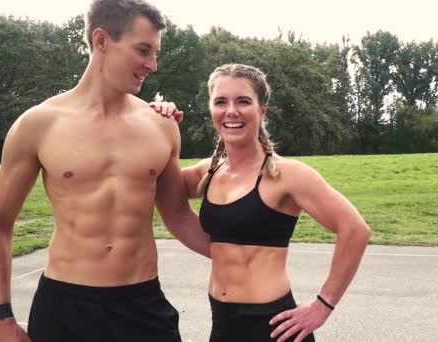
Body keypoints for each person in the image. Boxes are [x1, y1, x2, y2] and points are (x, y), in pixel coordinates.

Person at [0, 1, 210, 341]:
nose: (153, 65)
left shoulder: (161, 126)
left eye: (156, 53)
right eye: (143, 50)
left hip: (142, 305)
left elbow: (178, 215)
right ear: (101, 40)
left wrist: (242, 256)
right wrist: (1, 320)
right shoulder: (39, 124)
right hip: (65, 307)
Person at [153, 63, 372, 342]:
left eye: (243, 101)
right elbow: (158, 183)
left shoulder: (287, 175)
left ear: (262, 109)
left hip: (273, 328)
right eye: (221, 101)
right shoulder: (208, 172)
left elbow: (355, 229)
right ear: (211, 109)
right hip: (222, 325)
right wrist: (161, 122)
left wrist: (323, 305)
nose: (231, 110)